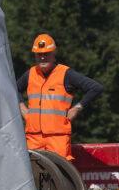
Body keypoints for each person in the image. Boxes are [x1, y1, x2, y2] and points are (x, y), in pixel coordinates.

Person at [16, 33, 103, 161]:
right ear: (35, 55)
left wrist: (77, 108)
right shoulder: (30, 74)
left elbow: (96, 88)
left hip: (58, 138)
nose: (43, 58)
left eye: (46, 54)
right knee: (34, 176)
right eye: (39, 54)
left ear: (53, 54)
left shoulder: (66, 74)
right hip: (33, 138)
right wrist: (21, 107)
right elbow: (12, 89)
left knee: (60, 176)